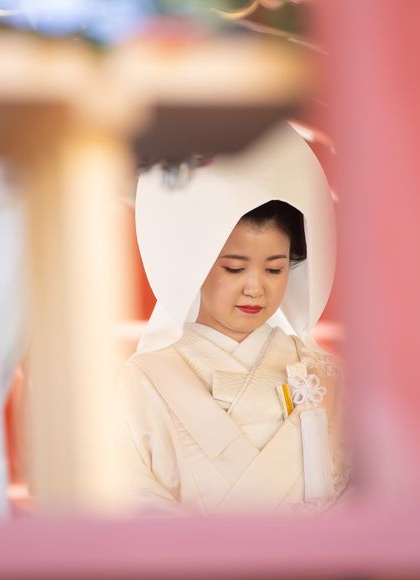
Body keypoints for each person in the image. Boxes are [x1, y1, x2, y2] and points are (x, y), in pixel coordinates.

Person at [117, 123, 348, 515]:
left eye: (274, 269)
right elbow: (131, 498)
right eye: (234, 268)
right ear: (194, 266)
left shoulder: (324, 377)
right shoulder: (143, 382)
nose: (255, 288)